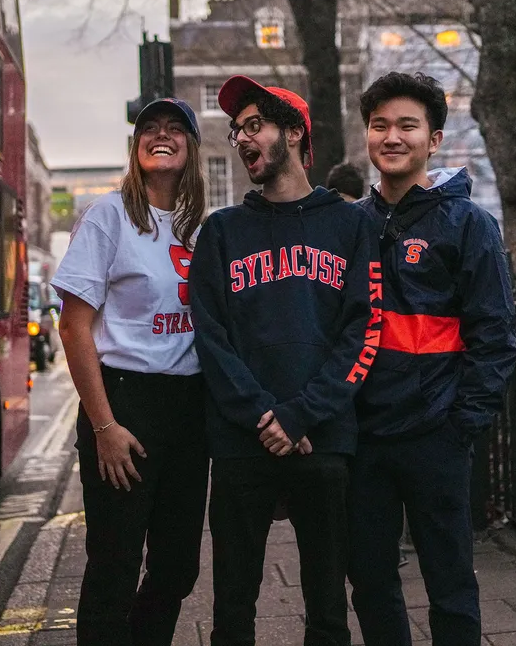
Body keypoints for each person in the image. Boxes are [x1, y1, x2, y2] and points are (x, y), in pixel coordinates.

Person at [189, 76, 381, 646]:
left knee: (328, 609)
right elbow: (211, 335)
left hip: (322, 439)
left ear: (294, 133)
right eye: (237, 129)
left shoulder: (352, 225)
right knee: (232, 611)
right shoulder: (221, 232)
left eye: (255, 126)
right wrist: (263, 417)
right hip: (240, 442)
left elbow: (363, 329)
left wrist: (300, 415)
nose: (242, 139)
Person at [347, 72, 516, 646]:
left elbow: (495, 334)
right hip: (364, 437)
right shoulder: (351, 226)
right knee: (369, 582)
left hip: (435, 435)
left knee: (449, 582)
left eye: (407, 126)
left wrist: (462, 423)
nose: (391, 137)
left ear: (435, 140)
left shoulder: (468, 224)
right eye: (379, 126)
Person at [50, 97, 208, 646]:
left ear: (190, 147)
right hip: (125, 403)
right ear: (135, 145)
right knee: (114, 569)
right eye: (150, 128)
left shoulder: (199, 226)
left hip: (189, 411)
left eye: (174, 129)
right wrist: (104, 427)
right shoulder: (108, 216)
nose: (161, 135)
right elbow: (74, 328)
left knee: (177, 568)